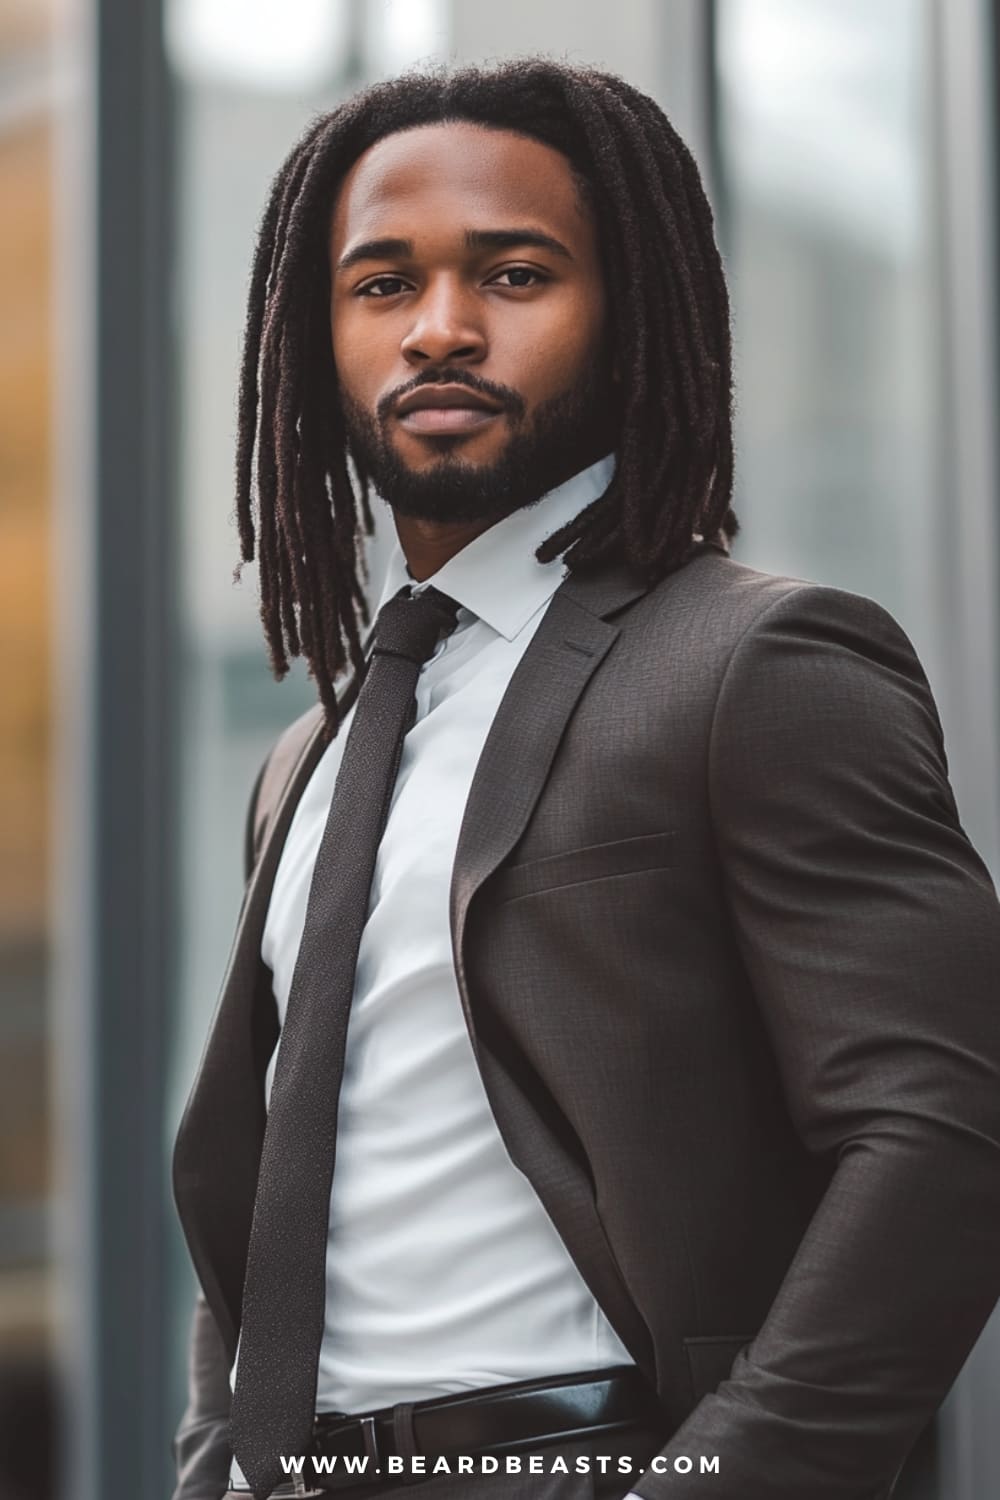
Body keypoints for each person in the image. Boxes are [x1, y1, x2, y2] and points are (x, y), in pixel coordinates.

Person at [171, 58, 1000, 1500]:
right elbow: (290, 1169)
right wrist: (217, 1457)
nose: (441, 327)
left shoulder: (757, 663)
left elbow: (944, 1131)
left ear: (627, 316)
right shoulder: (312, 755)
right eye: (381, 284)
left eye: (515, 272)